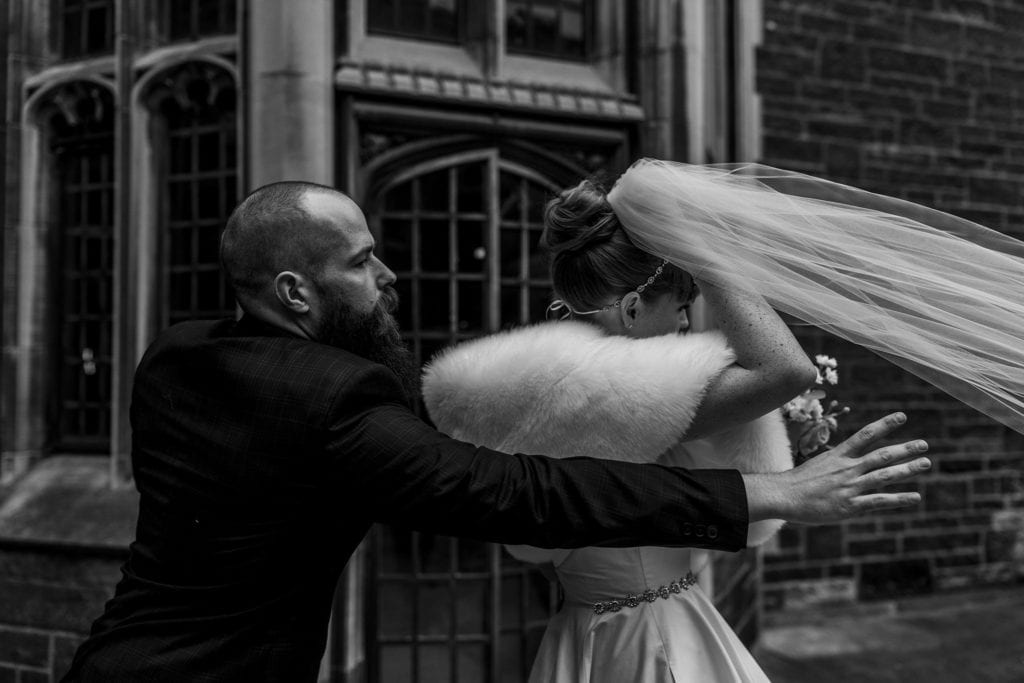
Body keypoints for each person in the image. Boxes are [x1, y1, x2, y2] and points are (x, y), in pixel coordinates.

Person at [62, 181, 929, 682]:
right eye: (361, 262)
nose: (388, 274)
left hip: (115, 659)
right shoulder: (335, 400)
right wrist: (768, 491)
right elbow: (516, 493)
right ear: (295, 292)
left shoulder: (173, 359)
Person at [422, 177, 820, 681]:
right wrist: (703, 251)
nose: (685, 326)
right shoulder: (622, 400)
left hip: (580, 627)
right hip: (650, 637)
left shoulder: (519, 398)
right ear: (631, 308)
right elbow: (787, 370)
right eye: (680, 308)